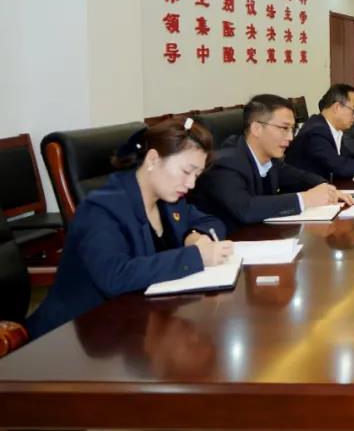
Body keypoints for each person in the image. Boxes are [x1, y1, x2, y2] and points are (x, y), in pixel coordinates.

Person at [26, 118, 233, 339]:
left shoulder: (170, 200)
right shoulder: (101, 209)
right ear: (153, 160)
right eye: (186, 171)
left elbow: (212, 221)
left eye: (196, 176)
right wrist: (196, 257)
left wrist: (194, 236)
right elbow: (115, 276)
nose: (191, 184)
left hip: (138, 322)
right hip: (74, 335)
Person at [189, 94, 353, 232]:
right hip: (226, 248)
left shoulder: (270, 159)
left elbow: (298, 176)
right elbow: (247, 208)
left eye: (292, 129)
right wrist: (305, 199)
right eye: (284, 128)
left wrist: (327, 188)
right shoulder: (225, 164)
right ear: (256, 129)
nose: (290, 137)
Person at [285, 84, 354, 181]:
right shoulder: (316, 131)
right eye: (353, 110)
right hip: (306, 195)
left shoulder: (331, 128)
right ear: (337, 107)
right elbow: (339, 166)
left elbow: (349, 157)